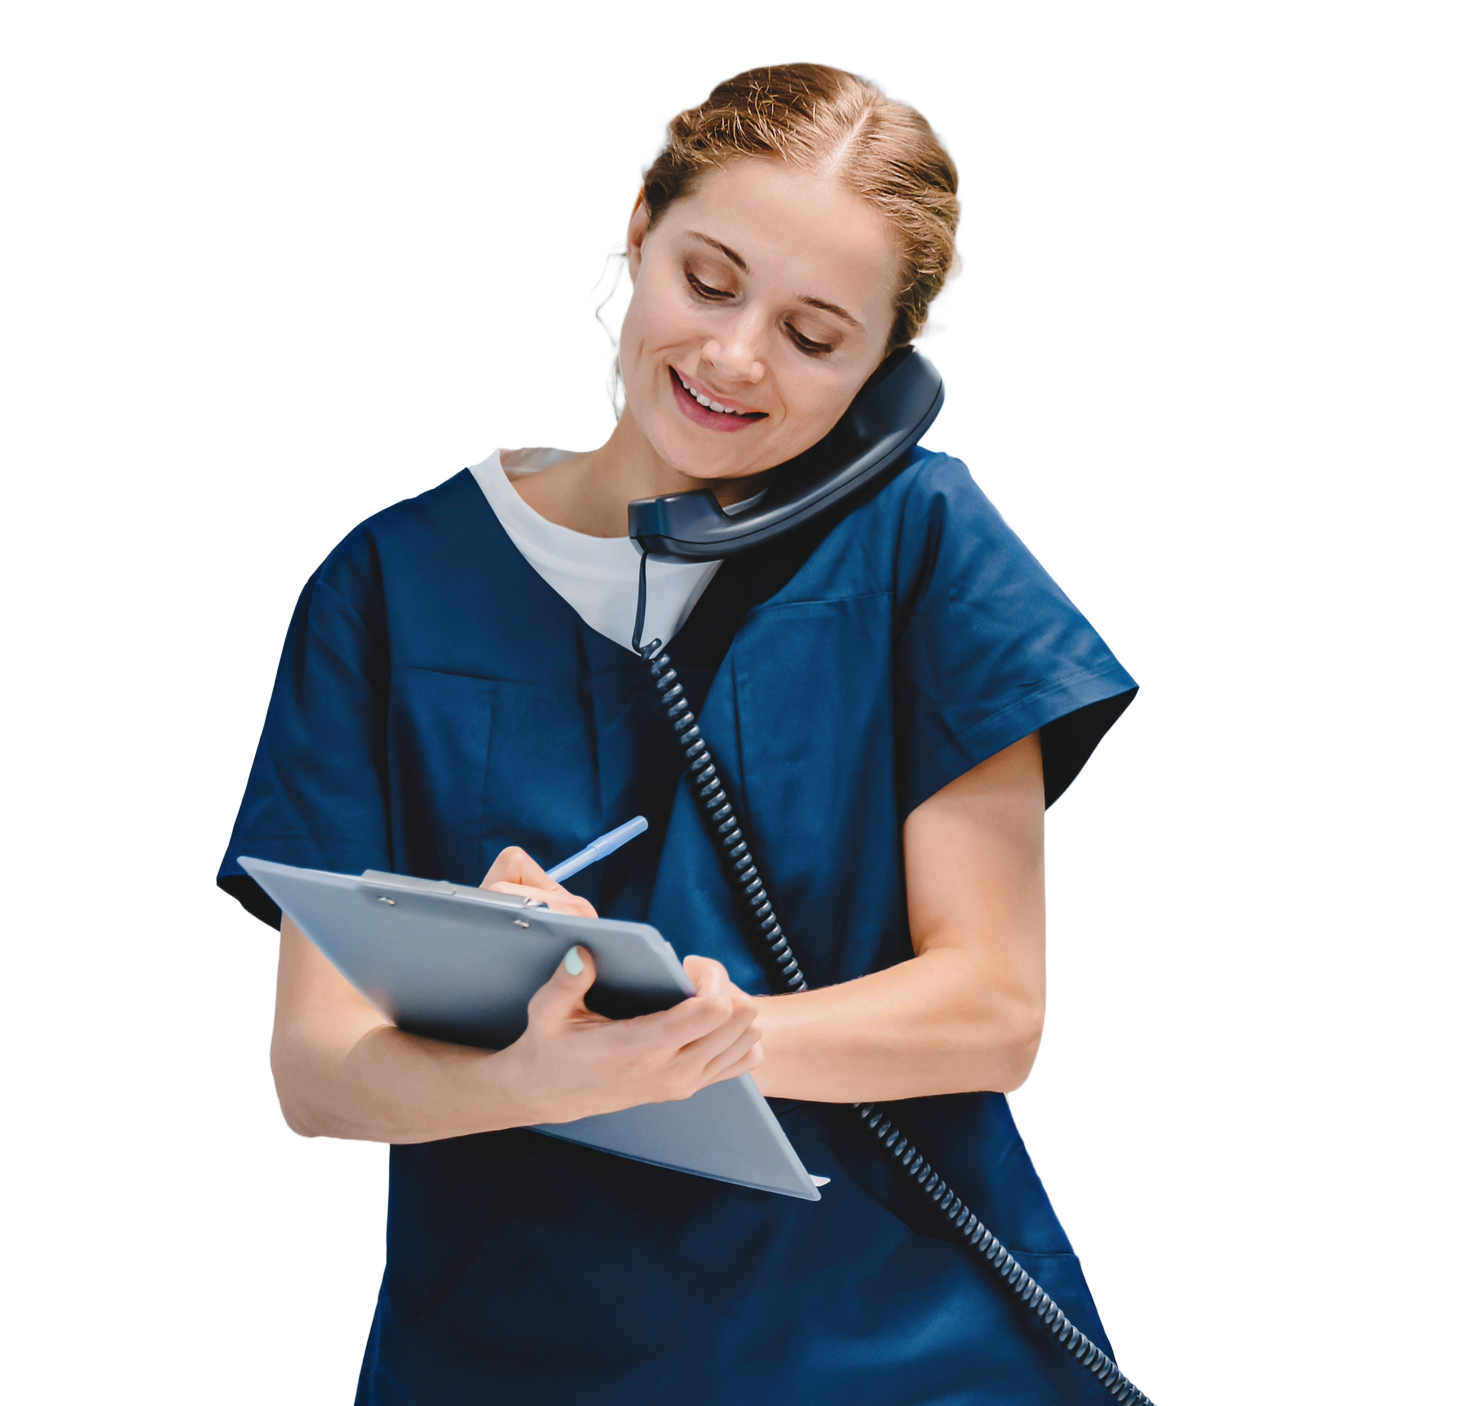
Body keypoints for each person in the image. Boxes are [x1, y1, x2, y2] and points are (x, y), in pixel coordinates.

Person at [218, 62, 1140, 1404]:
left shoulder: (929, 547)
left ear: (892, 383)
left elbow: (992, 1008)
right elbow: (316, 1071)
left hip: (912, 1357)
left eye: (816, 337)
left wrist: (696, 1038)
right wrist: (533, 1064)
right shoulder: (386, 580)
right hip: (510, 1360)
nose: (731, 358)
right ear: (634, 234)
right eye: (710, 282)